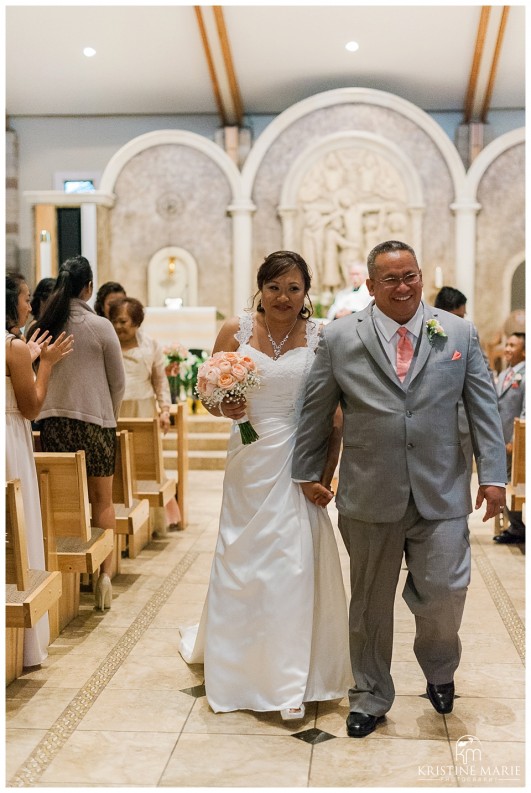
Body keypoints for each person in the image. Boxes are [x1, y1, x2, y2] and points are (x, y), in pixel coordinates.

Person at [292, 240, 507, 738]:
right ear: (369, 286)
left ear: (421, 277)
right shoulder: (341, 337)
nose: (404, 286)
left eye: (410, 275)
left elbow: (484, 411)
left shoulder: (457, 332)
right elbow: (318, 409)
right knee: (368, 602)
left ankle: (439, 670)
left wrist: (493, 476)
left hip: (442, 489)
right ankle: (370, 694)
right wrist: (309, 470)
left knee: (446, 592)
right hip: (370, 491)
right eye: (391, 279)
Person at [179, 250, 352, 719]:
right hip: (249, 457)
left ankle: (292, 674)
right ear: (260, 288)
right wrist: (225, 408)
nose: (283, 297)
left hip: (298, 459)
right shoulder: (233, 332)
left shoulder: (321, 338)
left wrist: (324, 473)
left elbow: (333, 416)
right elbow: (211, 396)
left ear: (306, 293)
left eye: (294, 288)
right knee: (244, 557)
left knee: (294, 559)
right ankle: (242, 666)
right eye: (274, 287)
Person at [28, 256, 125, 610]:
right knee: (102, 502)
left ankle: (64, 578)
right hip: (96, 425)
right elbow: (118, 382)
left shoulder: (41, 325)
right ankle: (103, 576)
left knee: (62, 503)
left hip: (53, 424)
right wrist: (107, 415)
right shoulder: (100, 327)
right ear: (89, 287)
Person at [6, 273, 73, 665]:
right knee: (19, 525)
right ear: (10, 303)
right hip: (11, 442)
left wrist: (27, 356)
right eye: (26, 298)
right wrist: (44, 364)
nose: (31, 306)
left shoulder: (15, 348)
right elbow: (31, 408)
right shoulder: (12, 347)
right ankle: (24, 648)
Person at [109, 296, 182, 531]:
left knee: (147, 464)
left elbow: (160, 381)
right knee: (119, 466)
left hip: (143, 410)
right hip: (115, 409)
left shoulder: (151, 345)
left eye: (123, 322)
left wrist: (164, 410)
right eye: (115, 321)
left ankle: (153, 523)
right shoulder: (107, 343)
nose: (119, 327)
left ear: (137, 322)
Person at [493, 332, 525, 544]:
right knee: (502, 481)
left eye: (513, 345)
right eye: (507, 344)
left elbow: (525, 411)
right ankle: (514, 526)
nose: (507, 349)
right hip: (499, 438)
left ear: (524, 351)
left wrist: (517, 441)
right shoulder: (505, 373)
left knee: (515, 485)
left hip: (515, 441)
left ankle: (518, 528)